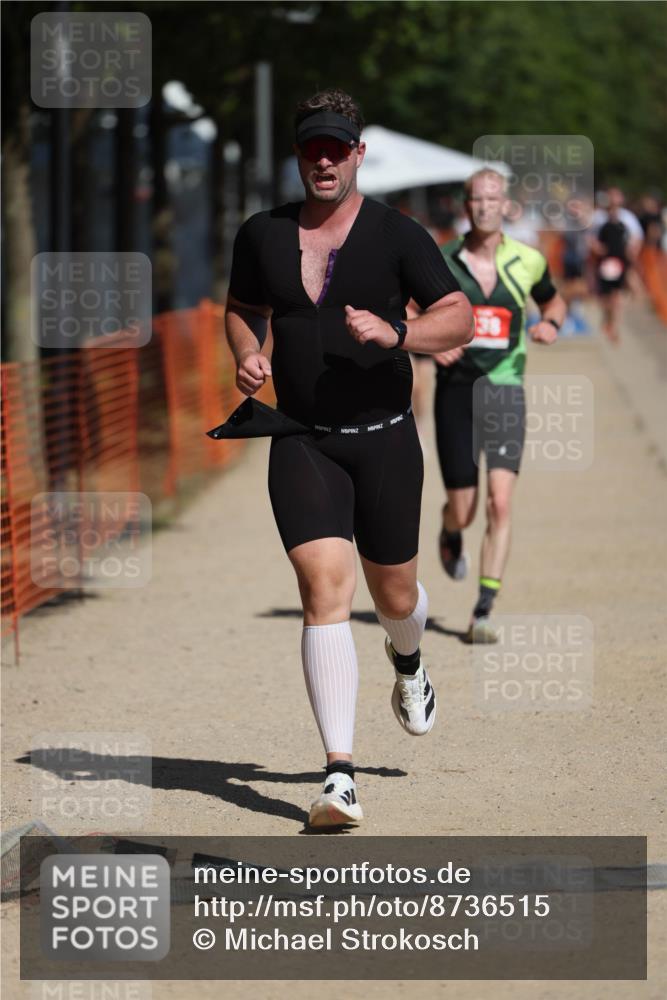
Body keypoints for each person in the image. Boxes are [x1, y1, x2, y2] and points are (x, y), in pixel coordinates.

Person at [225, 89, 472, 828]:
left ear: (358, 154)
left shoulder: (398, 234)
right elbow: (242, 310)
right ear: (299, 155)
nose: (324, 160)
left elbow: (455, 316)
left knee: (395, 598)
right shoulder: (261, 234)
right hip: (298, 437)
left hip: (385, 438)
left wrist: (397, 336)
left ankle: (409, 661)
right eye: (312, 149)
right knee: (321, 588)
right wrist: (246, 354)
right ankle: (340, 777)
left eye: (337, 148)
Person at [434, 168, 566, 643]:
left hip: (505, 388)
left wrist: (550, 324)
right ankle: (450, 532)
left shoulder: (528, 261)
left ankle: (484, 608)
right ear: (465, 205)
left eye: (493, 198)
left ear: (506, 204)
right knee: (465, 509)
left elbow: (554, 303)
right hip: (454, 391)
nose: (485, 206)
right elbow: (404, 312)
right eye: (477, 198)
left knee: (500, 501)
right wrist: (428, 343)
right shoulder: (441, 258)